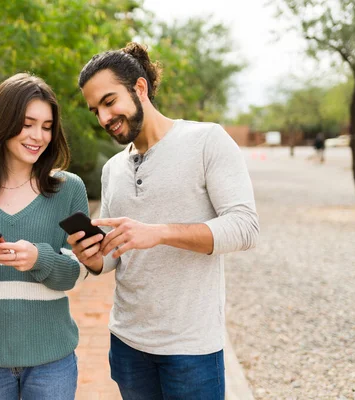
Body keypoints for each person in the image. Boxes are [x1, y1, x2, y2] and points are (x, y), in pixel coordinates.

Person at [68, 43, 260, 400]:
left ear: (140, 88)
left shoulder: (206, 140)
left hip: (191, 348)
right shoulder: (112, 170)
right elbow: (114, 253)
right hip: (127, 344)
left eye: (109, 102)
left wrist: (159, 233)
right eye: (96, 110)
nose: (104, 118)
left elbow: (245, 228)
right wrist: (93, 257)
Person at [0, 73, 89, 400]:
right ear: (3, 123)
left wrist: (41, 258)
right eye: (28, 124)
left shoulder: (68, 190)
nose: (39, 136)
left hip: (52, 359)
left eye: (47, 126)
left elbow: (77, 271)